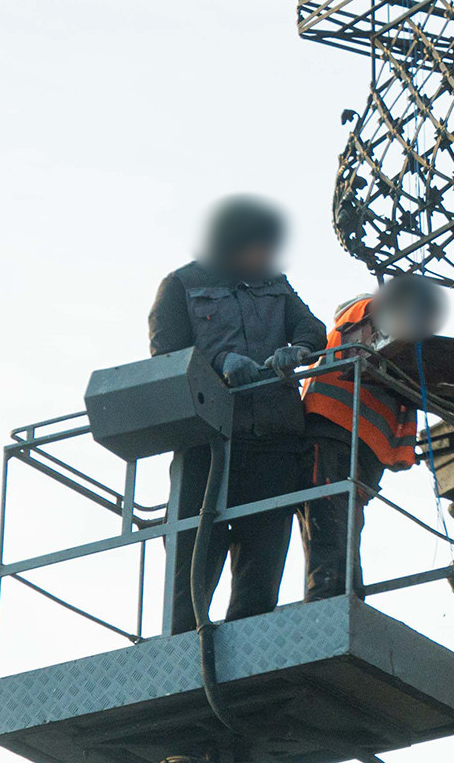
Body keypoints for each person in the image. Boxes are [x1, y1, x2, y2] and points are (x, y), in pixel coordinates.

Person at [148, 195, 327, 633]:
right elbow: (166, 356)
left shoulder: (275, 283)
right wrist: (220, 363)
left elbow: (313, 330)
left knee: (261, 569)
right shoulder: (181, 285)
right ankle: (182, 650)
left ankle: (249, 652)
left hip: (274, 440)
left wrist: (298, 349)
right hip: (208, 445)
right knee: (193, 562)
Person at [298, 294, 423, 599]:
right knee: (338, 527)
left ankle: (336, 598)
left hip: (344, 438)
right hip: (349, 440)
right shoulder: (367, 314)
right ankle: (341, 598)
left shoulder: (359, 314)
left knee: (333, 524)